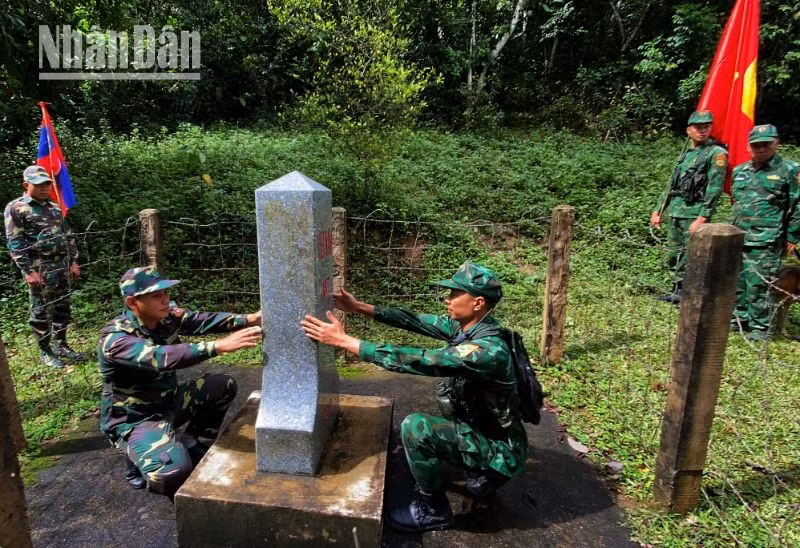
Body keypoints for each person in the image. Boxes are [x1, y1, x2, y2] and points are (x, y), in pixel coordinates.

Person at [301, 261, 527, 533]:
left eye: (456, 294)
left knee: (417, 428)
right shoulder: (470, 326)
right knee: (449, 396)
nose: (448, 298)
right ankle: (477, 467)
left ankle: (435, 510)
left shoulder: (487, 350)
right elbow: (414, 320)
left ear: (478, 302)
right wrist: (359, 307)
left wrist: (345, 341)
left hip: (503, 450)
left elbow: (421, 360)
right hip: (484, 428)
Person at [97, 266, 262, 496]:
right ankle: (139, 457)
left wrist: (248, 319)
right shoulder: (116, 339)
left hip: (168, 402)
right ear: (132, 303)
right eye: (156, 295)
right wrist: (218, 346)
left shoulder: (166, 317)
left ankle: (194, 445)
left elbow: (200, 320)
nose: (166, 300)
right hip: (135, 419)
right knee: (172, 472)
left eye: (166, 292)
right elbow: (160, 357)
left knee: (222, 386)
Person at [4, 165, 84, 368]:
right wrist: (28, 271)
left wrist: (73, 261)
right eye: (38, 184)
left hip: (61, 266)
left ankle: (61, 345)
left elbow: (68, 235)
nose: (44, 188)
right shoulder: (17, 208)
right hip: (39, 269)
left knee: (62, 307)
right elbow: (15, 242)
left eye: (47, 183)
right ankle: (45, 351)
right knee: (41, 311)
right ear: (26, 184)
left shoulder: (54, 207)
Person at [730, 124, 800, 340]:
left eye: (766, 145)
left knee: (761, 284)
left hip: (767, 239)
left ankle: (760, 329)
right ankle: (739, 320)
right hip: (739, 236)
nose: (761, 150)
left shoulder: (790, 170)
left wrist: (792, 236)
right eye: (756, 146)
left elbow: (798, 205)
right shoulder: (739, 171)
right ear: (749, 147)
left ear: (776, 143)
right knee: (739, 283)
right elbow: (736, 202)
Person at [650, 110, 728, 303]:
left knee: (692, 256)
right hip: (677, 211)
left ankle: (691, 295)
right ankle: (677, 291)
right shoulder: (686, 154)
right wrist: (658, 210)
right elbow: (672, 184)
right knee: (674, 254)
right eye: (697, 127)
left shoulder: (716, 153)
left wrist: (702, 217)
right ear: (689, 130)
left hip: (694, 213)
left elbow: (714, 188)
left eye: (706, 127)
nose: (702, 131)